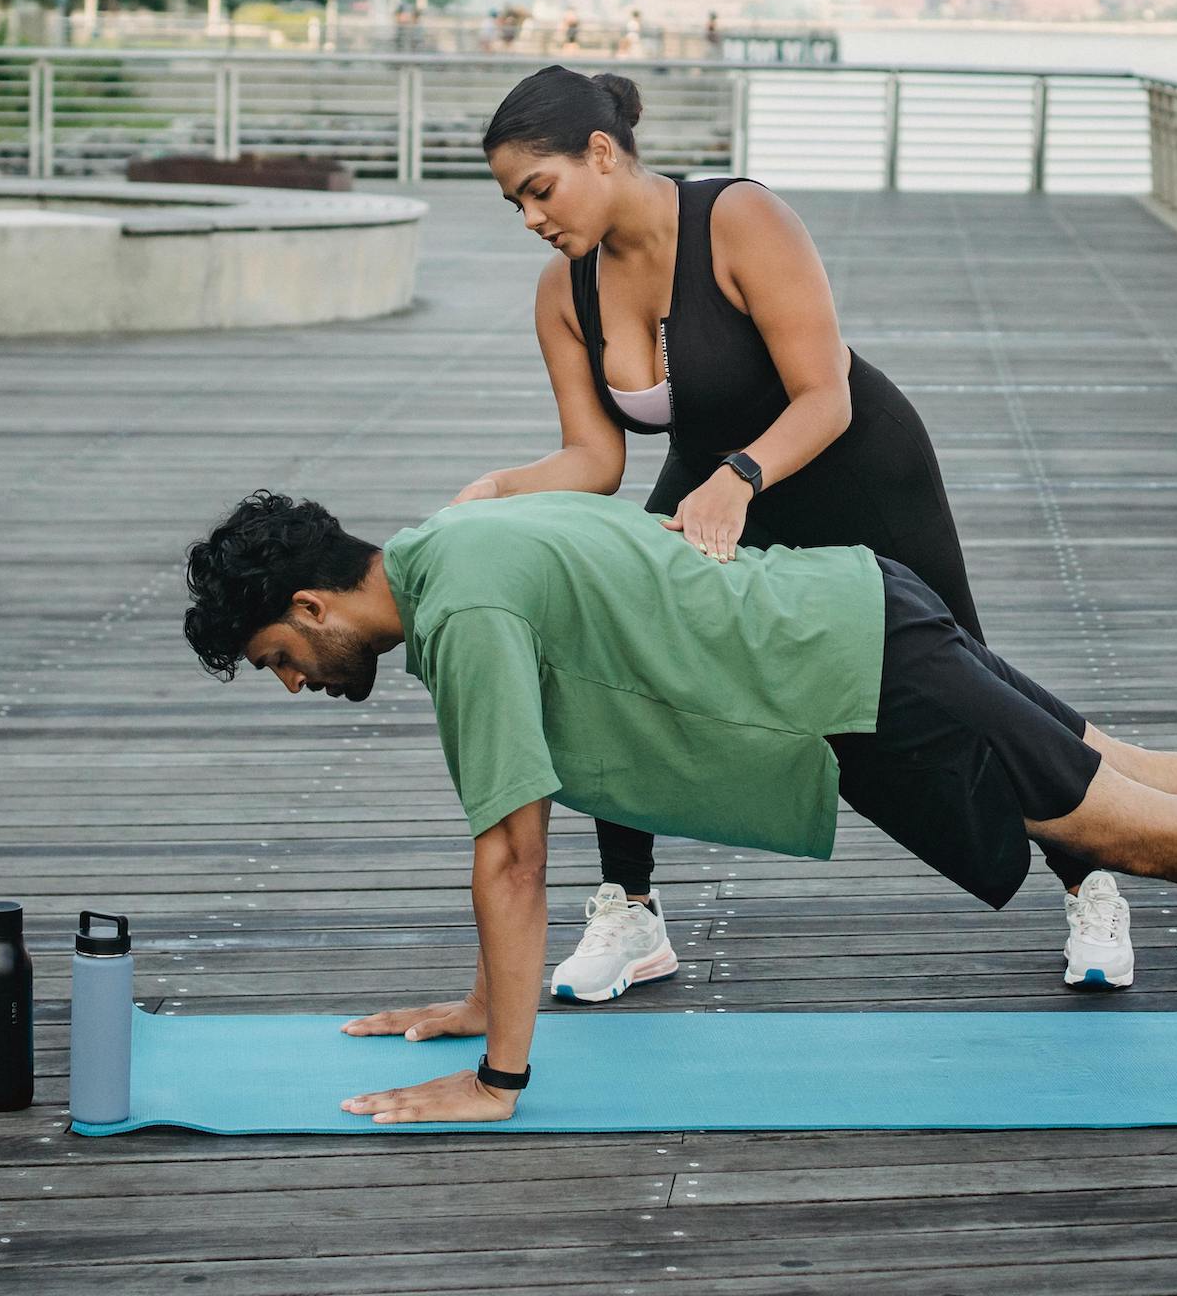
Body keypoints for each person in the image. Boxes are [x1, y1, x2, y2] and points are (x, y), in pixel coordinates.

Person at [182, 491, 1177, 1124]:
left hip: (849, 668)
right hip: (852, 617)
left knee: (1119, 824)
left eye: (279, 664)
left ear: (309, 606)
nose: (297, 686)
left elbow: (513, 852)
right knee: (1128, 774)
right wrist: (486, 994)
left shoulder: (458, 608)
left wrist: (498, 1073)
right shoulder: (446, 548)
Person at [461, 63, 1131, 1001]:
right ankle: (630, 910)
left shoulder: (737, 218)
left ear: (602, 154)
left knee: (968, 678)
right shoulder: (563, 292)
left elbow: (828, 395)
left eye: (540, 189)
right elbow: (593, 461)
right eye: (514, 203)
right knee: (617, 648)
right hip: (717, 478)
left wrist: (739, 477)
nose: (531, 216)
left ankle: (1088, 877)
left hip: (854, 463)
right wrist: (498, 490)